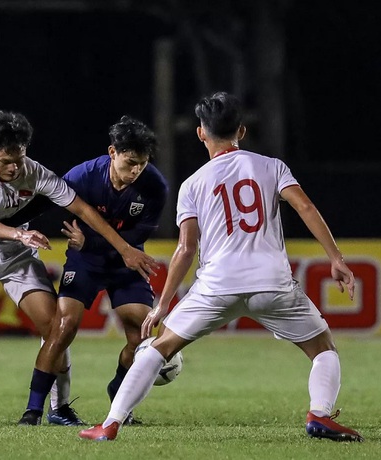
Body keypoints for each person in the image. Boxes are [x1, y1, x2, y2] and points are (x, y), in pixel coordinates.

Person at [79, 91, 363, 442]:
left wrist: (163, 304)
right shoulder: (272, 166)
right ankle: (319, 414)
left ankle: (111, 423)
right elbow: (305, 208)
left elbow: (186, 248)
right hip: (271, 283)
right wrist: (336, 258)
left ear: (201, 133)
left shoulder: (193, 184)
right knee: (323, 349)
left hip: (216, 286)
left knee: (157, 347)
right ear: (241, 131)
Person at [0, 110, 158, 426]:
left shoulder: (36, 173)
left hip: (16, 258)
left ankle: (59, 407)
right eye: (4, 161)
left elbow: (81, 207)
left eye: (18, 160)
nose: (12, 168)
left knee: (56, 327)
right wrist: (20, 233)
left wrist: (123, 248)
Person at [0, 115, 168, 426]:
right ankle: (34, 410)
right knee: (62, 327)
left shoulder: (154, 186)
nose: (136, 171)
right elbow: (42, 203)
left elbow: (136, 239)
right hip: (85, 261)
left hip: (123, 262)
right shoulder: (83, 175)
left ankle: (119, 394)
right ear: (112, 152)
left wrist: (88, 241)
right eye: (130, 162)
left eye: (142, 164)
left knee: (141, 335)